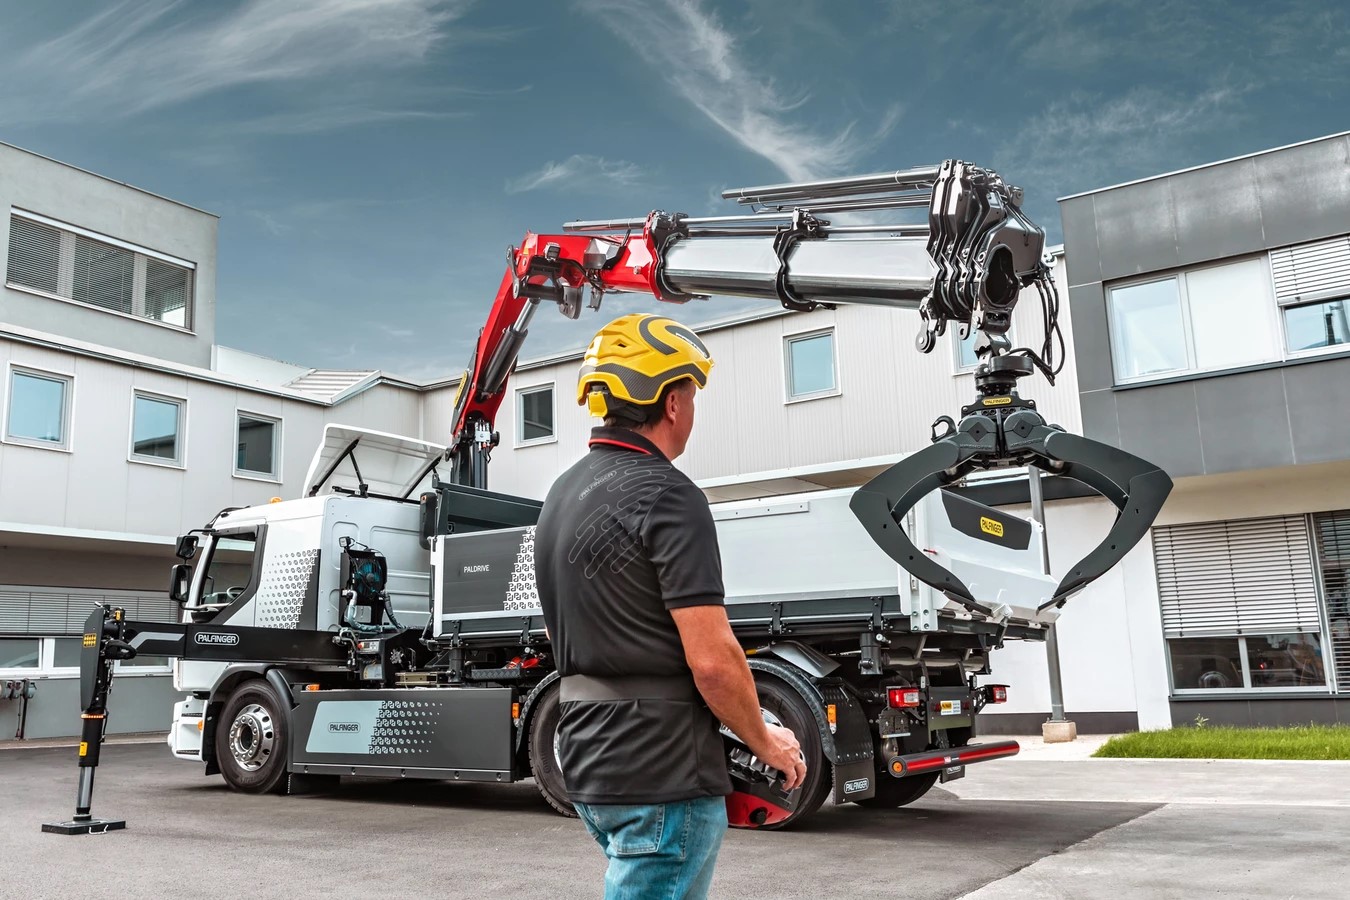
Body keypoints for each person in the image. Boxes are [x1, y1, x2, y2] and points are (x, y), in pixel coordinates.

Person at [535, 313, 806, 900]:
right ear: (673, 401)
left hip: (588, 756)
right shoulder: (670, 494)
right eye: (692, 395)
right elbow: (712, 660)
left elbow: (575, 631)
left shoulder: (561, 495)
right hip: (661, 770)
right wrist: (766, 741)